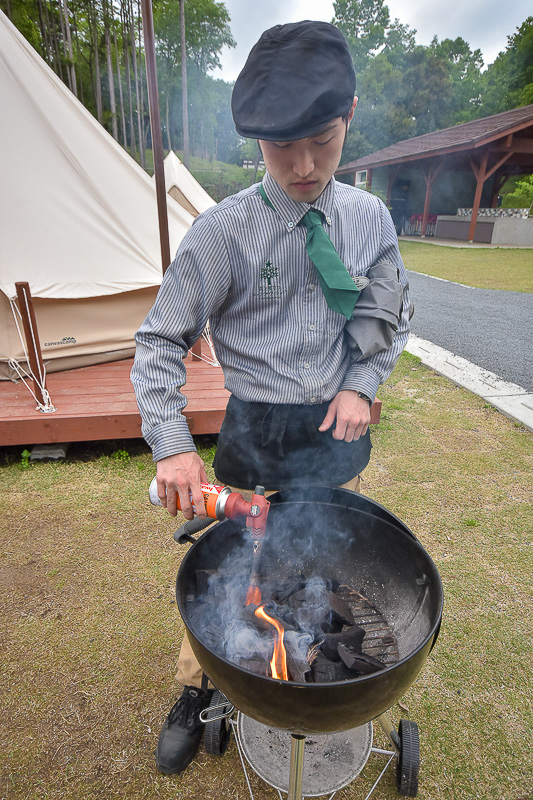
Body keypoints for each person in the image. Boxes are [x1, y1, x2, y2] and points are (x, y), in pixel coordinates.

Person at [131, 20, 411, 774]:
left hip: (333, 429)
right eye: (279, 146)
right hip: (253, 430)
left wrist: (361, 382)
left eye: (321, 139)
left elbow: (390, 307)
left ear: (347, 113)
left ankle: (314, 646)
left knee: (319, 555)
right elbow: (157, 341)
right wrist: (172, 446)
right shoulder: (221, 234)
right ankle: (198, 687)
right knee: (237, 568)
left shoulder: (368, 219)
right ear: (255, 140)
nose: (302, 164)